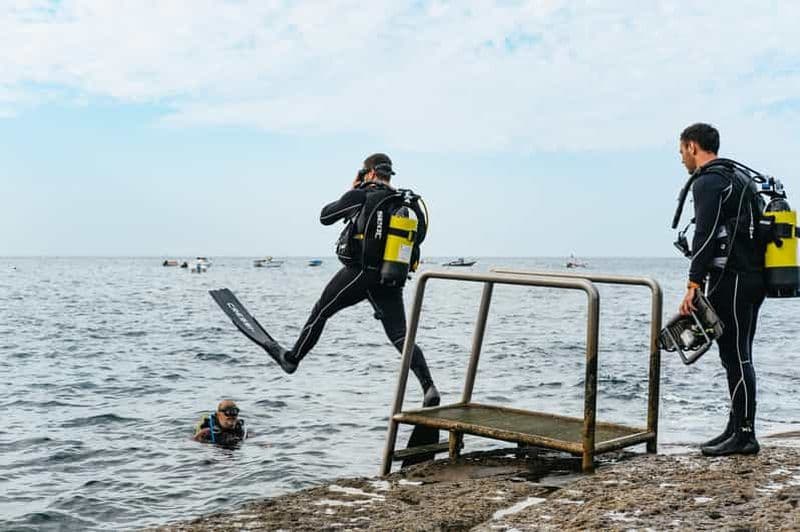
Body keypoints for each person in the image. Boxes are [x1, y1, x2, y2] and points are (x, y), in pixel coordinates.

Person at [265, 153, 440, 407]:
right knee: (401, 337)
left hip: (360, 272)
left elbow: (325, 217)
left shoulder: (362, 194)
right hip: (391, 276)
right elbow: (419, 237)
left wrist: (352, 188)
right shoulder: (405, 201)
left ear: (368, 173)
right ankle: (429, 387)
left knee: (321, 311)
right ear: (389, 174)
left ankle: (292, 359)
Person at [676, 123, 766, 456]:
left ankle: (745, 434)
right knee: (735, 353)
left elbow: (706, 234)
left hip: (734, 279)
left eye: (681, 151)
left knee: (736, 355)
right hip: (751, 278)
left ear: (692, 146)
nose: (682, 159)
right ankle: (736, 426)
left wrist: (693, 284)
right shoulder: (737, 177)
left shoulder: (710, 181)